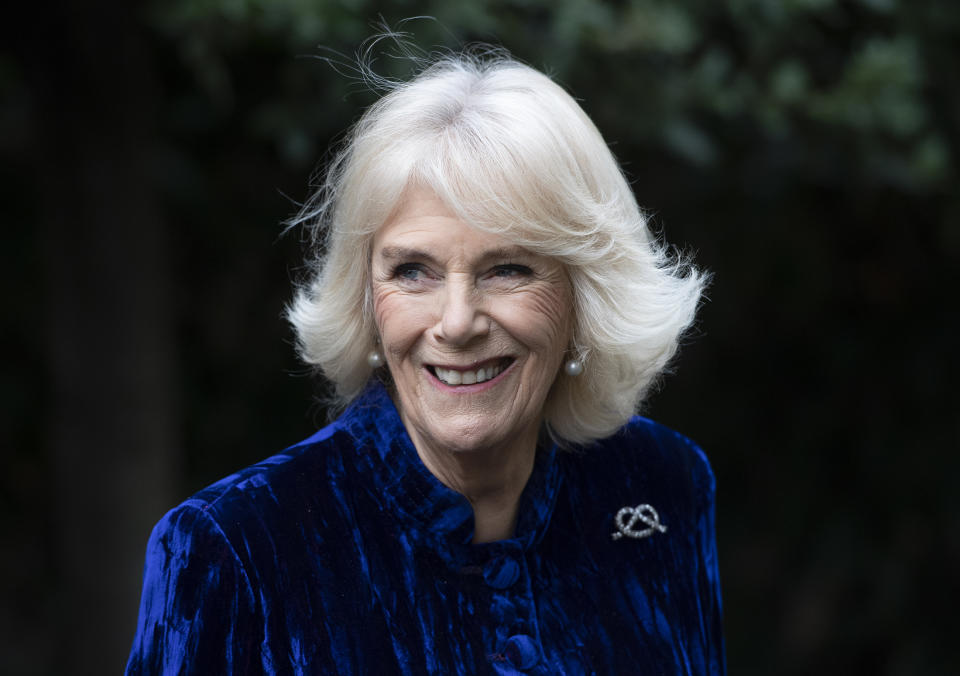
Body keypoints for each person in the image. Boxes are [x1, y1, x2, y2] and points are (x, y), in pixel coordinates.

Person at [126, 49, 724, 675]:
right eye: (413, 271)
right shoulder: (233, 548)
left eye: (508, 269)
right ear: (366, 299)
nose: (457, 321)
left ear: (586, 294)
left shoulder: (661, 486)